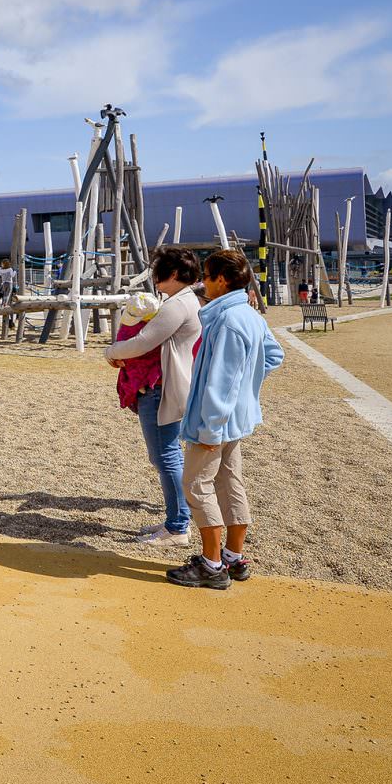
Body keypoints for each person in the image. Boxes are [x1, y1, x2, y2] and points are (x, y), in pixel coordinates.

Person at [168, 248, 283, 590]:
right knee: (229, 483)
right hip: (236, 418)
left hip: (216, 421)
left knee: (196, 485)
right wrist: (251, 383)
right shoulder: (249, 315)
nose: (203, 282)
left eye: (206, 275)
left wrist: (210, 427)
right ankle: (233, 557)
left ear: (221, 279)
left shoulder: (230, 320)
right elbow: (274, 355)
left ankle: (212, 563)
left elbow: (222, 382)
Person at [104, 248, 203, 546]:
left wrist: (110, 352)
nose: (155, 277)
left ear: (173, 274)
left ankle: (177, 527)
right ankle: (177, 518)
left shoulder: (177, 305)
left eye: (158, 270)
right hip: (170, 383)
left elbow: (143, 341)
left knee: (166, 456)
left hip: (161, 387)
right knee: (166, 454)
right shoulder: (187, 301)